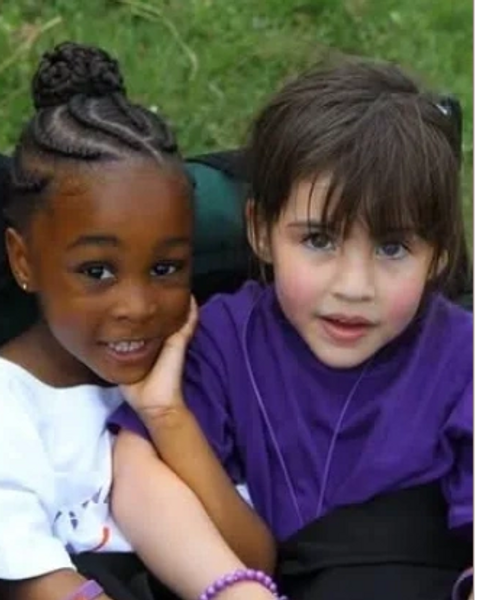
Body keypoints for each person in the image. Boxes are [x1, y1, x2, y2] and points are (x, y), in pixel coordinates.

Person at [0, 42, 280, 600]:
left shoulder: (192, 374)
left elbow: (254, 562)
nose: (137, 306)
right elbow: (23, 565)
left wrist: (167, 416)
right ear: (24, 261)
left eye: (165, 268)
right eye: (97, 271)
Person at [109, 58, 474, 600]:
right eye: (319, 240)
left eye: (393, 247)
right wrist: (234, 590)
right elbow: (137, 474)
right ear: (260, 231)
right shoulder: (224, 338)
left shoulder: (461, 357)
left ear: (439, 254)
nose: (354, 286)